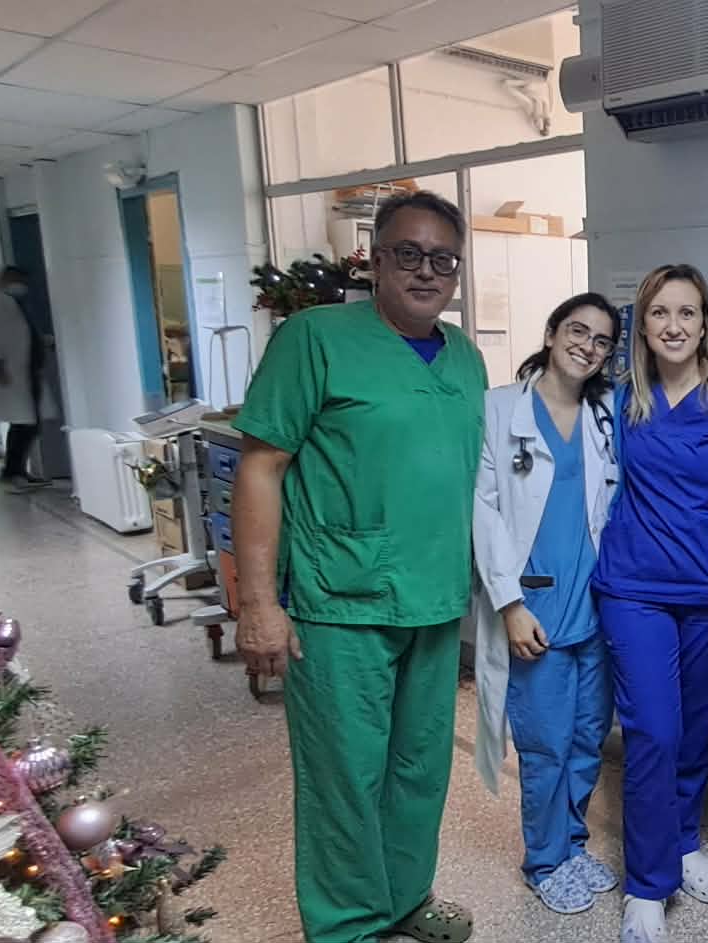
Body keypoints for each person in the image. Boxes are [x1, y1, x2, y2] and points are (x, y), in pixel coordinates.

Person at [232, 191, 486, 943]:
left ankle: (404, 897)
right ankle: (347, 926)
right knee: (344, 778)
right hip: (339, 601)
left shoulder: (465, 356)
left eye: (443, 259)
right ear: (376, 261)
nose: (426, 271)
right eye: (409, 254)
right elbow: (261, 467)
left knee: (418, 769)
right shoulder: (315, 339)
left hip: (434, 599)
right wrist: (258, 603)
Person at [589, 263, 708, 943]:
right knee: (652, 731)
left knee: (694, 732)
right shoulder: (620, 403)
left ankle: (682, 842)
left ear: (705, 324)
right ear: (641, 327)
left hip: (707, 596)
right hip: (634, 592)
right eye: (659, 313)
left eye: (687, 312)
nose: (673, 326)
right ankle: (648, 884)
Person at [469, 292, 623, 915]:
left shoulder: (605, 414)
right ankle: (544, 860)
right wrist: (508, 604)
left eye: (602, 340)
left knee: (587, 741)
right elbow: (483, 511)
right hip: (534, 610)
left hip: (596, 609)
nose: (588, 346)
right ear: (553, 331)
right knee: (546, 746)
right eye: (578, 331)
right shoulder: (500, 409)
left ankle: (573, 846)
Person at [0, 266, 50, 491]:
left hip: (27, 372)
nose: (22, 285)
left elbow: (24, 335)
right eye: (17, 280)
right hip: (11, 374)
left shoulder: (18, 305)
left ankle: (17, 471)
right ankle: (12, 472)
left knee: (29, 425)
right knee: (23, 425)